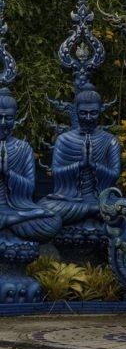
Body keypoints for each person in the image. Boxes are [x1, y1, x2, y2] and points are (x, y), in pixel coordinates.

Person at [40, 89, 122, 225]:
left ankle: (93, 209)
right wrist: (80, 165)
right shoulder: (63, 139)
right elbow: (55, 172)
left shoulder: (110, 141)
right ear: (76, 112)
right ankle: (94, 210)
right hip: (70, 200)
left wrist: (94, 166)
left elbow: (114, 174)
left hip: (100, 198)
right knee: (44, 208)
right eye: (83, 113)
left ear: (100, 111)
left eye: (93, 113)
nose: (88, 118)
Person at [0, 89, 61, 241]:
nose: (2, 123)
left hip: (17, 208)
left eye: (8, 118)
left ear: (15, 119)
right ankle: (9, 221)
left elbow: (29, 187)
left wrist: (8, 174)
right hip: (19, 217)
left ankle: (7, 221)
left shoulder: (23, 148)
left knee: (53, 221)